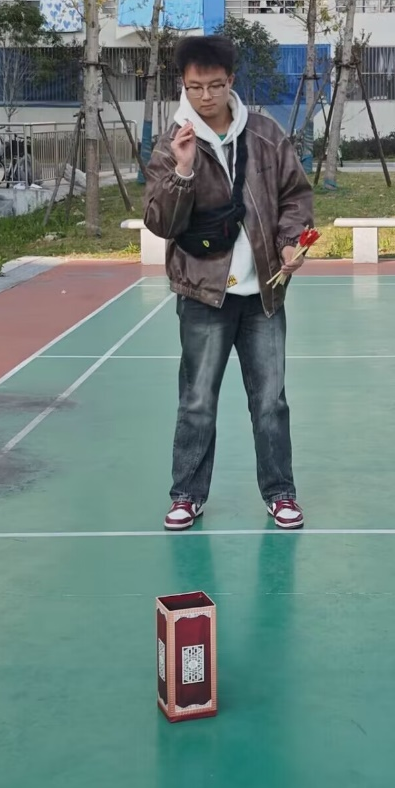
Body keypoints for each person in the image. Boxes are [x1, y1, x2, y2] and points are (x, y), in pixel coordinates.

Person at [143, 35, 315, 532]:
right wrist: (182, 169)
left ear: (231, 82)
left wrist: (290, 242)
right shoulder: (173, 142)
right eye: (194, 87)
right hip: (203, 293)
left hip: (263, 294)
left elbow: (295, 195)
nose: (205, 96)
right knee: (197, 401)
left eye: (215, 85)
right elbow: (160, 222)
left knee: (270, 401)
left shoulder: (263, 134)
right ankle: (186, 495)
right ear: (183, 85)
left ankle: (280, 493)